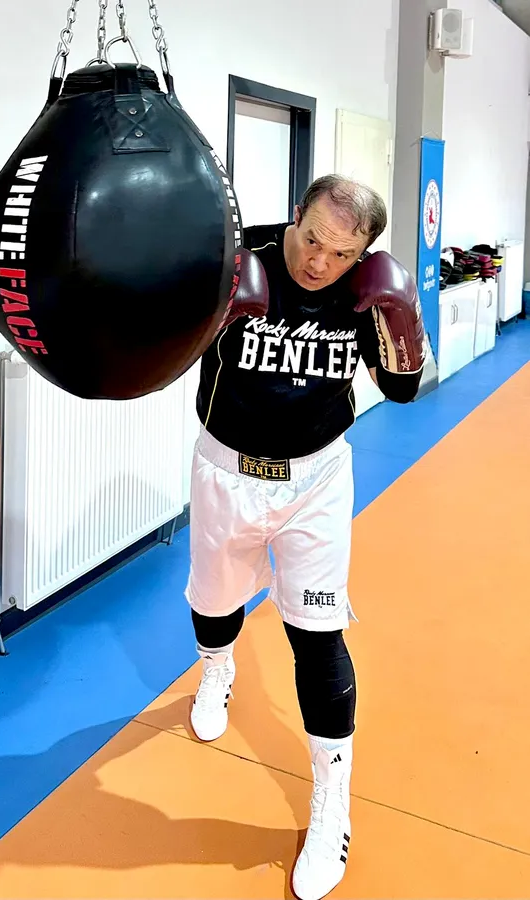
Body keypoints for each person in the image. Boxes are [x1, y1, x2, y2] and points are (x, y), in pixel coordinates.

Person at [184, 174, 425, 900]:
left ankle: (331, 807)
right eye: (312, 239)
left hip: (316, 480)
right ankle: (217, 669)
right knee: (213, 604)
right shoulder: (237, 261)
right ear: (296, 216)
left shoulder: (364, 292)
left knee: (318, 637)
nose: (319, 261)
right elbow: (162, 352)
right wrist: (211, 315)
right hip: (226, 469)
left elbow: (403, 389)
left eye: (342, 253)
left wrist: (401, 319)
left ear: (364, 253)